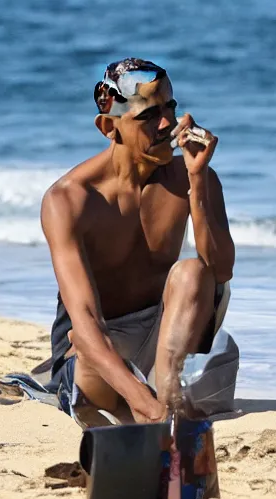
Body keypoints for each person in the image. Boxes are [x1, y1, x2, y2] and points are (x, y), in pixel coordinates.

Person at [40, 58, 236, 428]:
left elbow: (221, 271)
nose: (167, 124)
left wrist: (197, 182)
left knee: (194, 271)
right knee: (86, 353)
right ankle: (159, 403)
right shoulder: (69, 200)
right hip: (97, 346)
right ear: (109, 128)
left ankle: (169, 393)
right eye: (148, 116)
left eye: (170, 108)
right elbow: (85, 322)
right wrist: (142, 402)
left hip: (170, 336)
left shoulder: (192, 176)